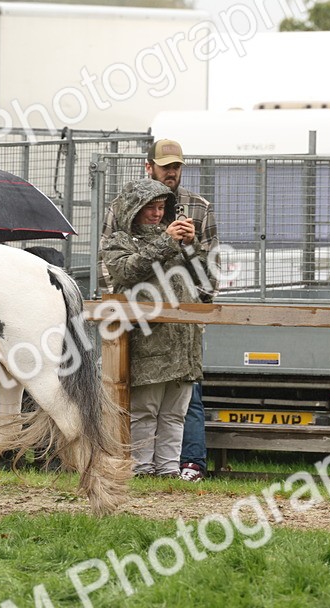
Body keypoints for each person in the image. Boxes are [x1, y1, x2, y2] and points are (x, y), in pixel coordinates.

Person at [102, 138, 219, 482]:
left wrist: (192, 245)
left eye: (160, 207)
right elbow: (125, 271)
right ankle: (141, 469)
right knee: (145, 410)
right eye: (149, 207)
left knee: (176, 412)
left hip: (184, 340)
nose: (156, 213)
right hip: (148, 340)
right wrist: (167, 241)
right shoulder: (122, 239)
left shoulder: (190, 222)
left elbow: (207, 276)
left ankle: (169, 470)